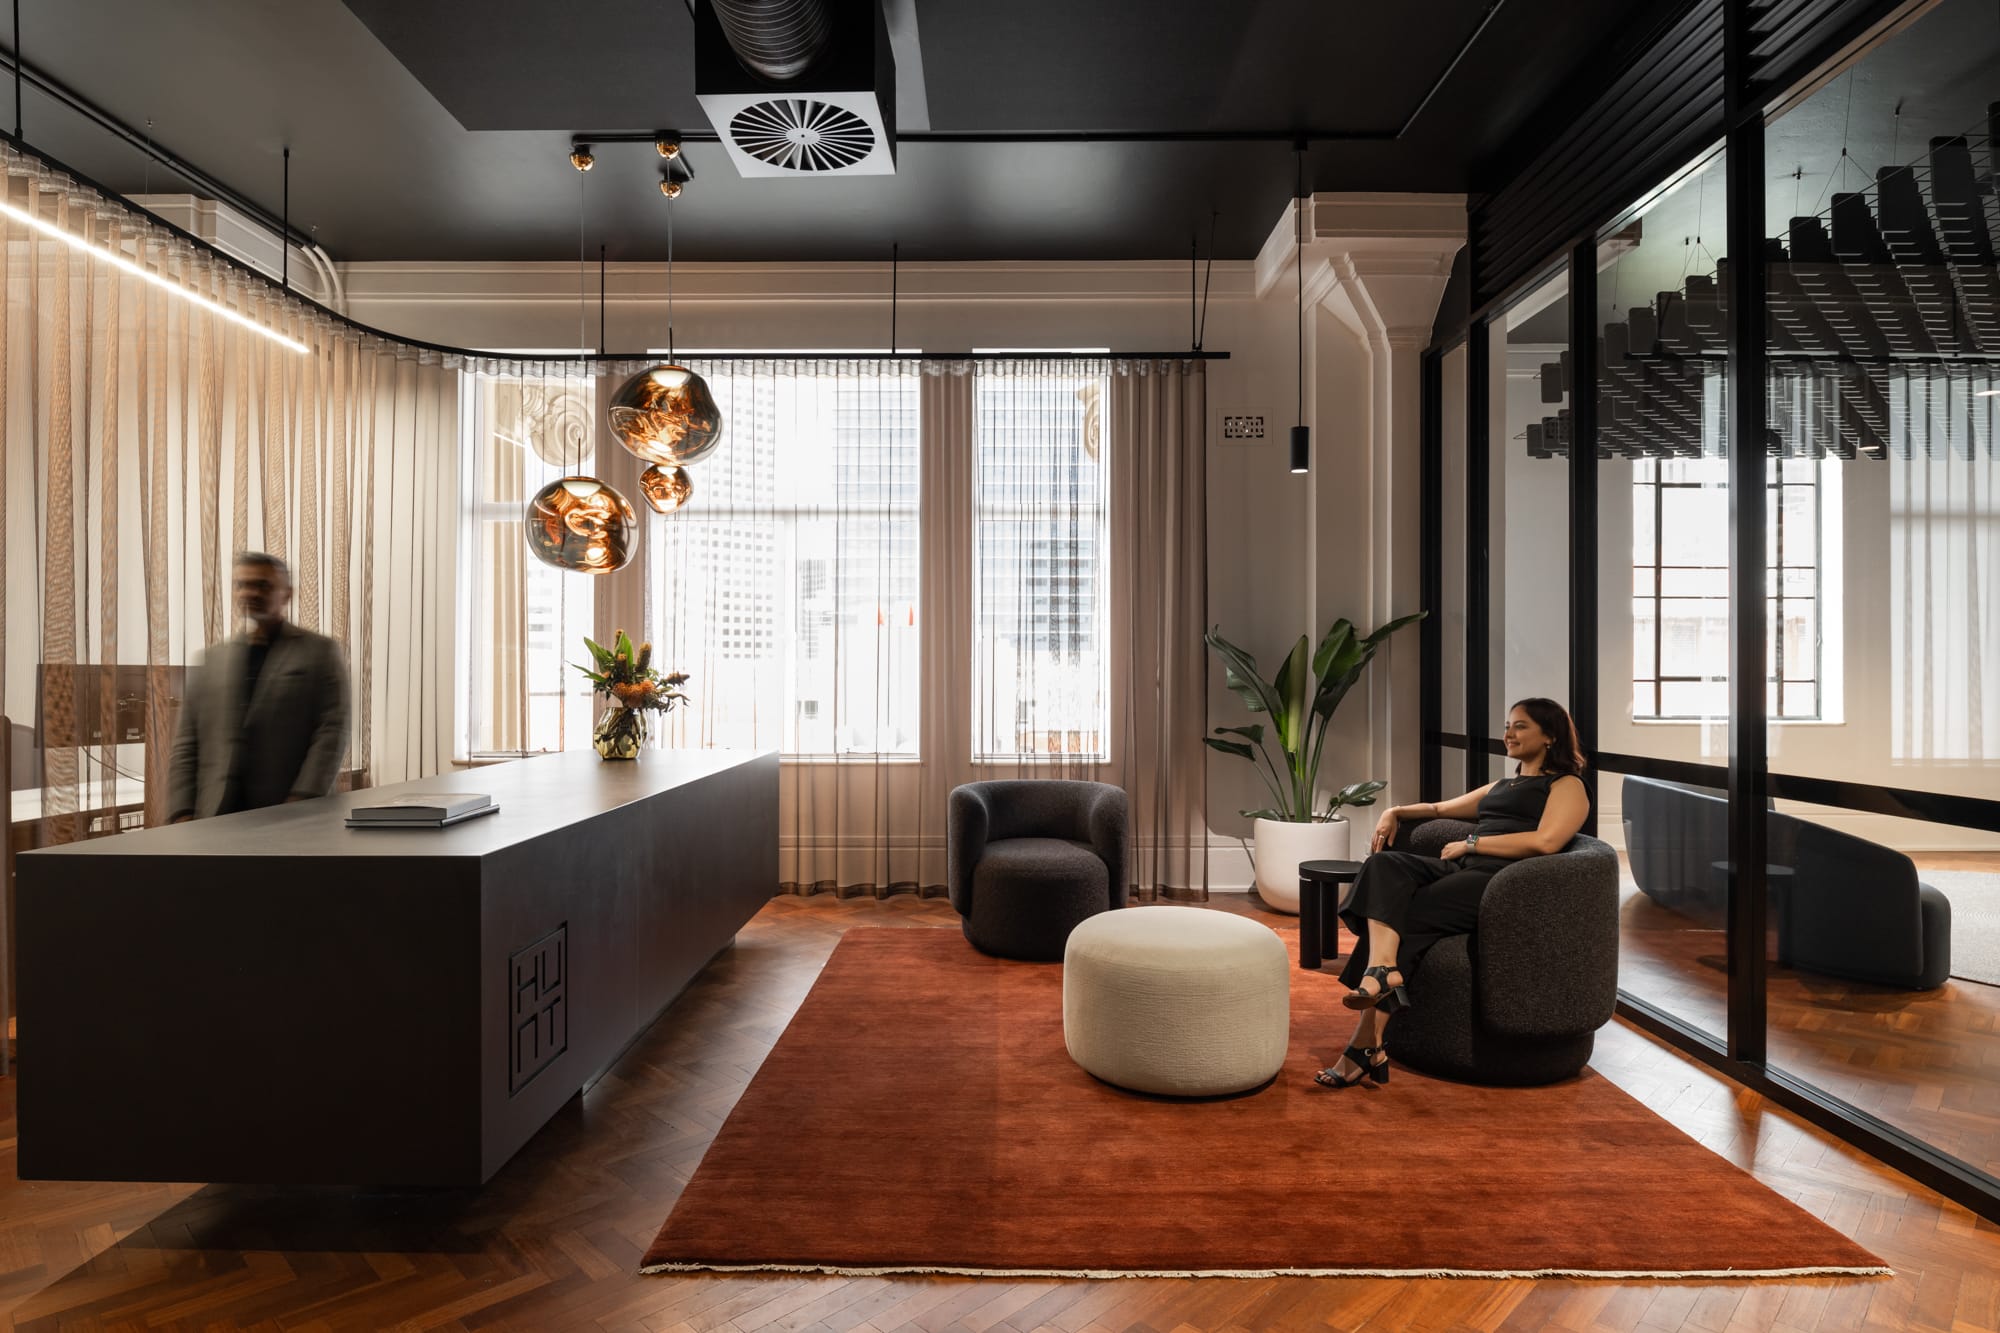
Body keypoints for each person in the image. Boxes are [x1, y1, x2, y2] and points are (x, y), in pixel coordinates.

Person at [1314, 697, 1589, 1089]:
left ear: (1550, 736)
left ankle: (1364, 1042)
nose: (1508, 733)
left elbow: (1546, 842)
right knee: (1382, 865)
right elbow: (1440, 809)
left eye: (1521, 726)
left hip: (1501, 883)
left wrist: (1474, 843)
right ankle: (1383, 971)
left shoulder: (1566, 786)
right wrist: (1396, 811)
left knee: (1407, 915)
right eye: (1508, 724)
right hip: (1463, 868)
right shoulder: (1503, 784)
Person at [167, 552, 350, 822]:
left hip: (292, 814)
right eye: (242, 585)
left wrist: (304, 798)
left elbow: (332, 732)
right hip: (215, 816)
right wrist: (181, 811)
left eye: (262, 585)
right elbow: (185, 743)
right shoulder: (211, 660)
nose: (250, 592)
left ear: (286, 594)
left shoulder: (320, 652)